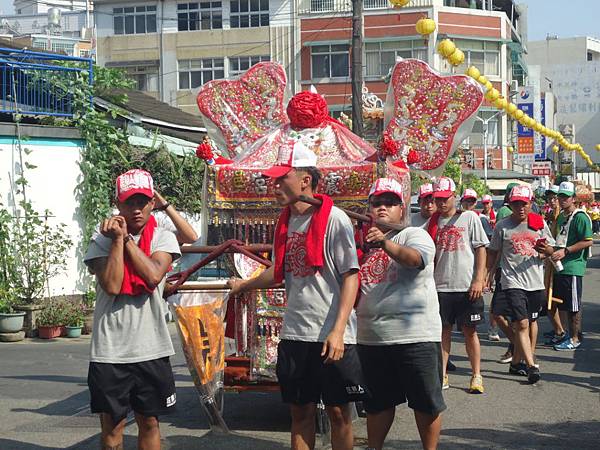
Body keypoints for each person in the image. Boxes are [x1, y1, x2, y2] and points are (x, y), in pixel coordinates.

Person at [227, 141, 366, 450]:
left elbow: (350, 276)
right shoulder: (285, 222)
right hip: (295, 333)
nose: (274, 185)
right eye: (273, 179)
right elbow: (277, 269)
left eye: (282, 178)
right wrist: (245, 285)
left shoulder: (335, 220)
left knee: (339, 413)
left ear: (305, 180)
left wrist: (339, 331)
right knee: (299, 413)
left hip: (331, 333)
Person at [84, 169, 181, 450]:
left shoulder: (163, 237)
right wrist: (116, 240)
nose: (136, 209)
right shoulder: (101, 239)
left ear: (152, 202)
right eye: (129, 202)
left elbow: (152, 276)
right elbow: (112, 285)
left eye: (142, 202)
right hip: (110, 351)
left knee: (150, 424)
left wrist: (125, 240)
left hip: (151, 348)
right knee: (112, 428)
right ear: (118, 203)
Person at [356, 178, 444, 450]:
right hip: (372, 338)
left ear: (401, 208)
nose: (383, 208)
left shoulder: (414, 234)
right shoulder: (360, 243)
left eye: (390, 202)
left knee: (426, 403)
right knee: (377, 404)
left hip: (415, 336)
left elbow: (415, 260)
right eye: (377, 203)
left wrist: (385, 243)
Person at [425, 177, 489, 394]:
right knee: (443, 332)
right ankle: (442, 375)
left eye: (445, 198)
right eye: (438, 199)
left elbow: (481, 249)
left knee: (470, 332)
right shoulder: (432, 223)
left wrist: (479, 279)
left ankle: (476, 375)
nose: (442, 203)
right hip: (440, 287)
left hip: (466, 286)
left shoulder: (469, 217)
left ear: (454, 196)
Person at [486, 185, 555, 384]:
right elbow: (493, 251)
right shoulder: (503, 226)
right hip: (512, 281)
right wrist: (487, 275)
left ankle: (517, 362)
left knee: (531, 322)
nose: (520, 208)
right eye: (516, 204)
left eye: (524, 204)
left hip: (535, 282)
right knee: (522, 323)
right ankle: (531, 365)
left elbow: (550, 250)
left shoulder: (538, 222)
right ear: (511, 204)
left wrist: (545, 249)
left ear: (530, 203)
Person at [550, 181, 594, 351]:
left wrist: (566, 251)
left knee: (574, 306)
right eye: (560, 196)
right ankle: (568, 334)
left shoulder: (580, 217)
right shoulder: (561, 216)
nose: (562, 200)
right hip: (559, 266)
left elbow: (588, 241)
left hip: (573, 267)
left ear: (574, 198)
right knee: (564, 305)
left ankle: (575, 338)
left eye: (566, 197)